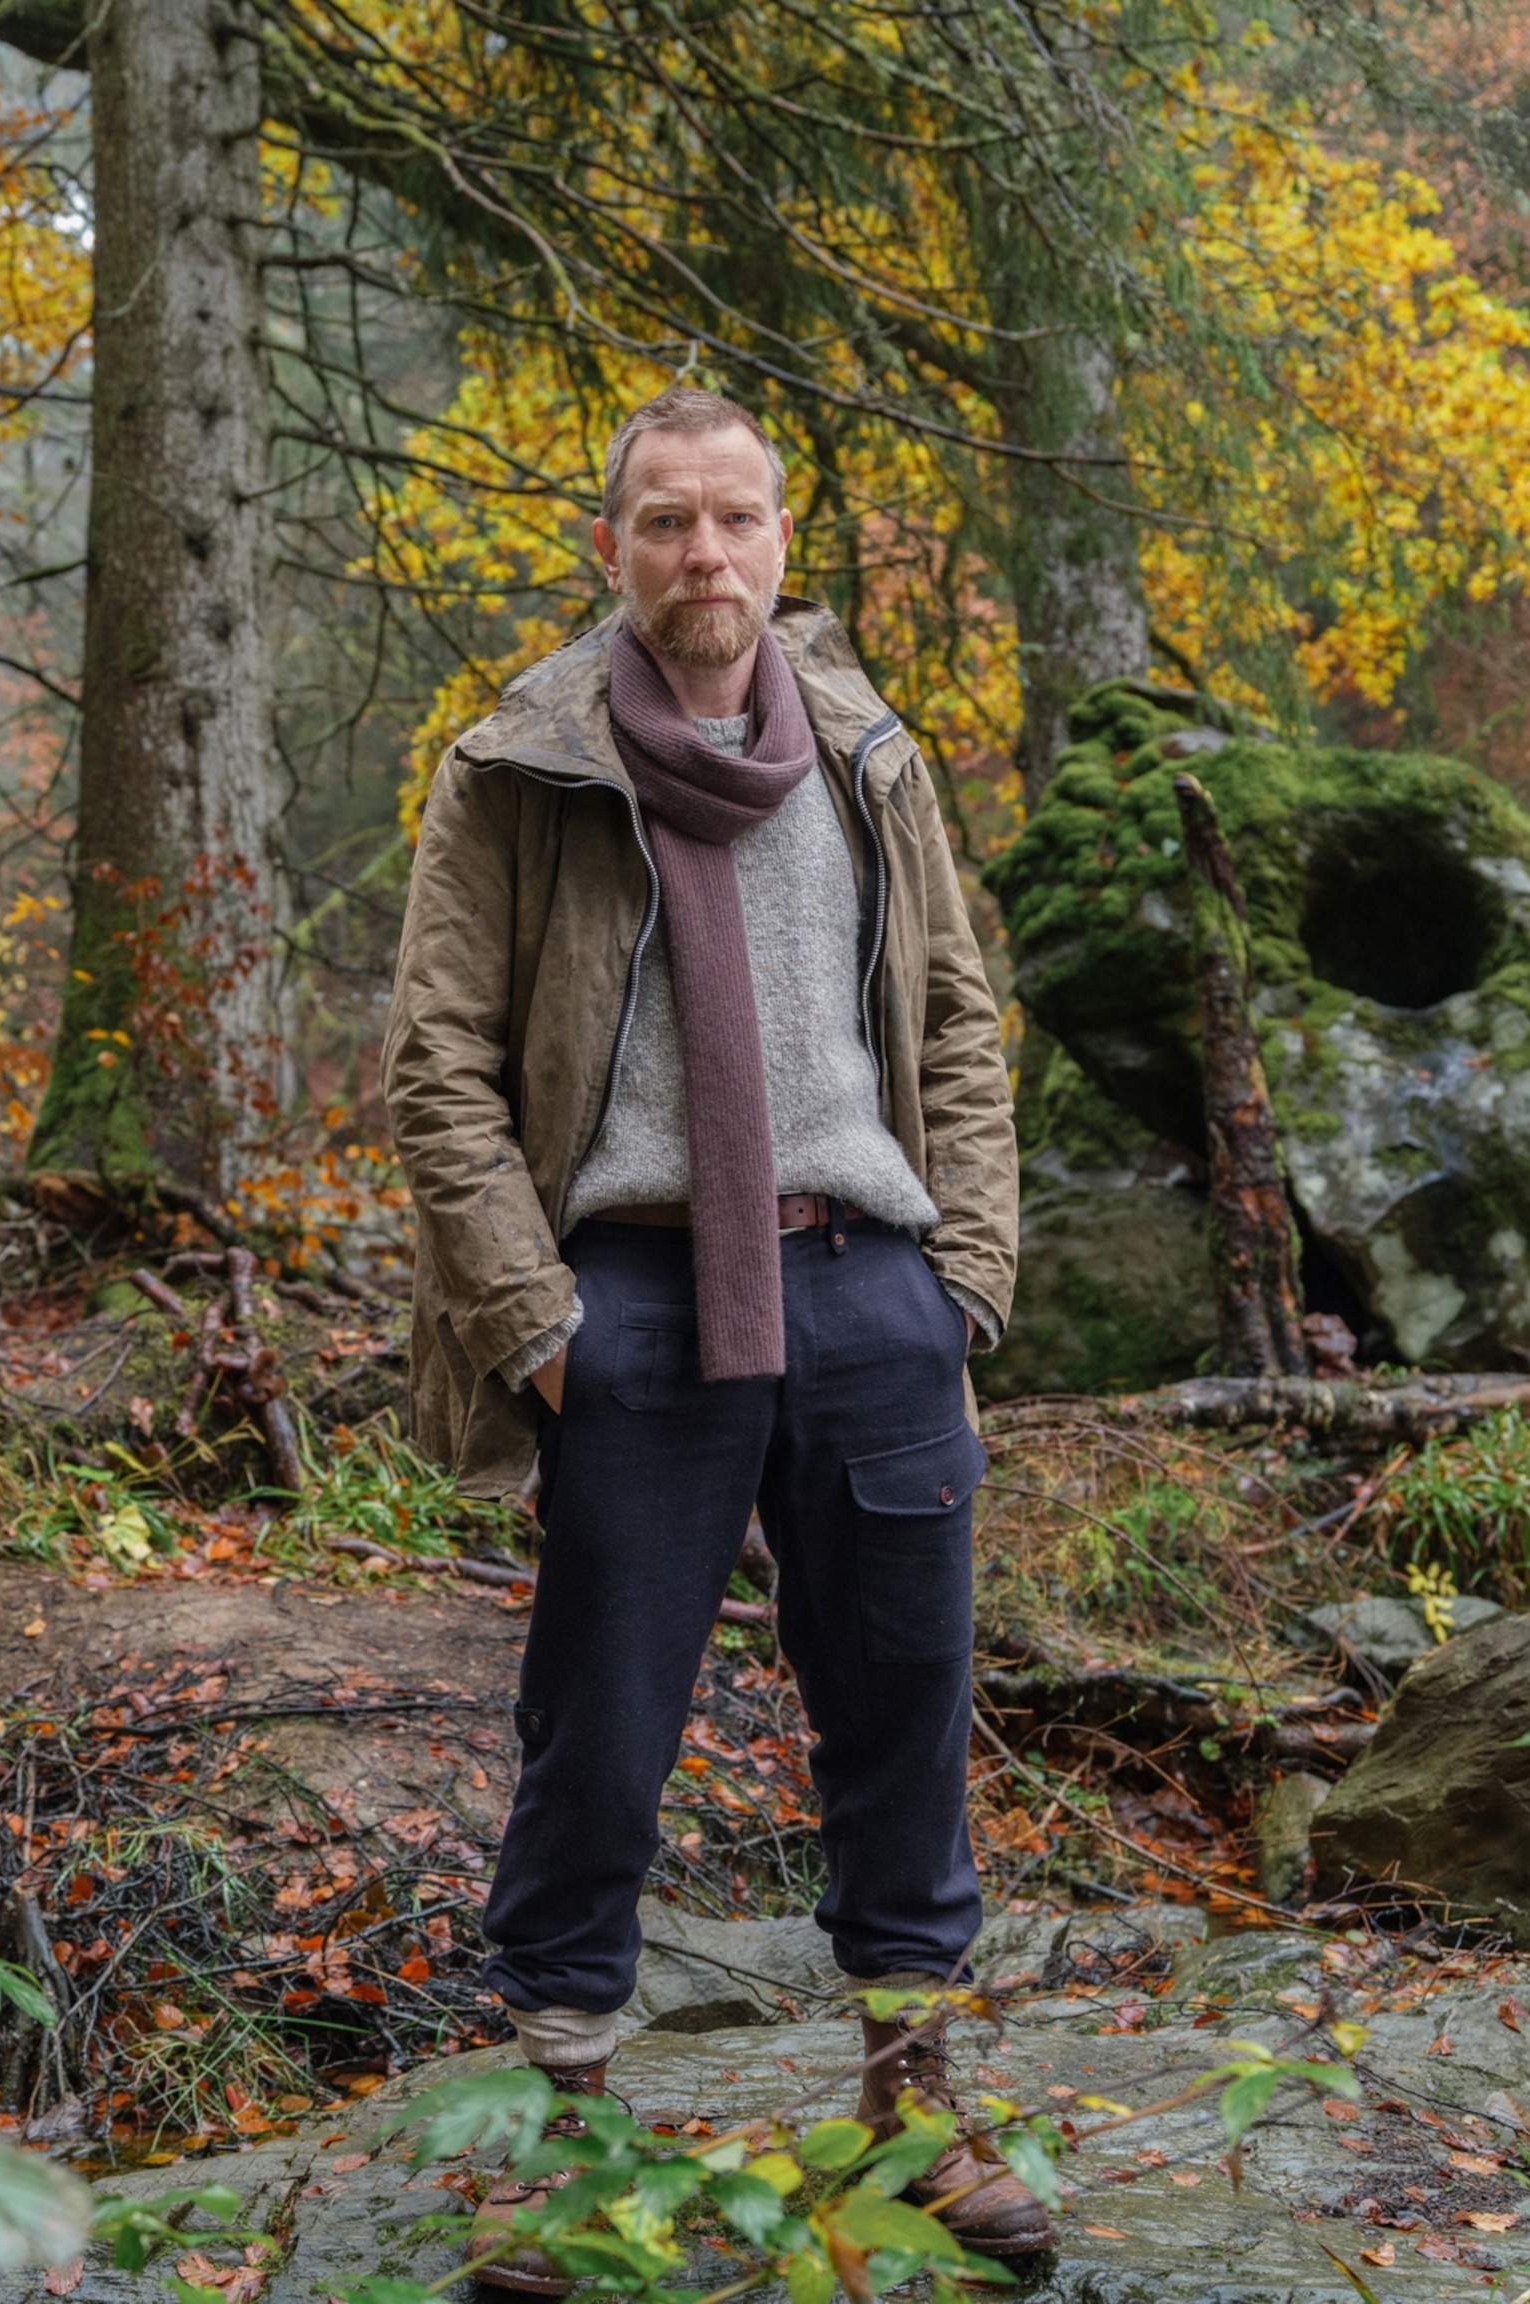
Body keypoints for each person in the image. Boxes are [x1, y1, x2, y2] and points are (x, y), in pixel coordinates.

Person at [379, 386, 1036, 2292]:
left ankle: (913, 2098)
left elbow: (959, 1022)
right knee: (600, 1732)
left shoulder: (866, 750)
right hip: (639, 1303)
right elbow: (436, 1065)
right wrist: (539, 1320)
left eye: (734, 520)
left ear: (779, 541)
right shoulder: (517, 764)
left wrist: (964, 1278)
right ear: (614, 548)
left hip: (866, 1293)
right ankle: (570, 2131)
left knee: (903, 1709)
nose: (703, 557)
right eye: (664, 523)